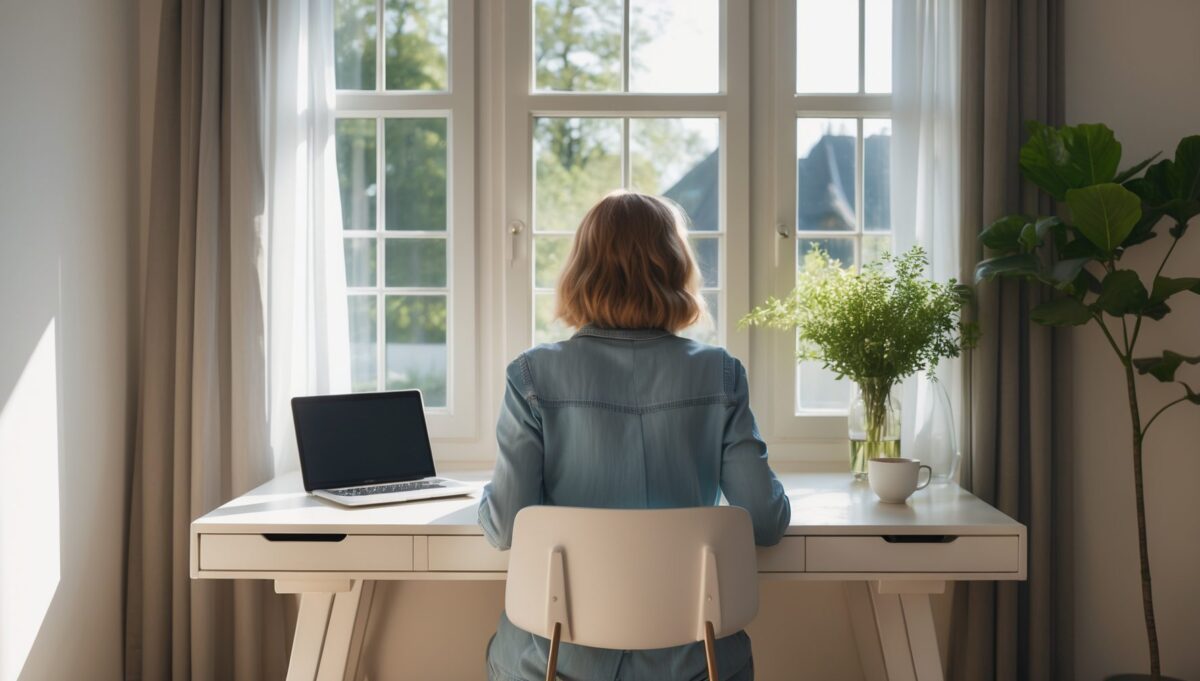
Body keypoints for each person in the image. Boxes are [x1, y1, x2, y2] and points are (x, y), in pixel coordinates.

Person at [479, 190, 791, 681]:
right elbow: (767, 522)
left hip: (556, 664)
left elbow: (502, 528)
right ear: (675, 269)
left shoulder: (533, 375)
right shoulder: (719, 374)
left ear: (581, 271)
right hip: (695, 663)